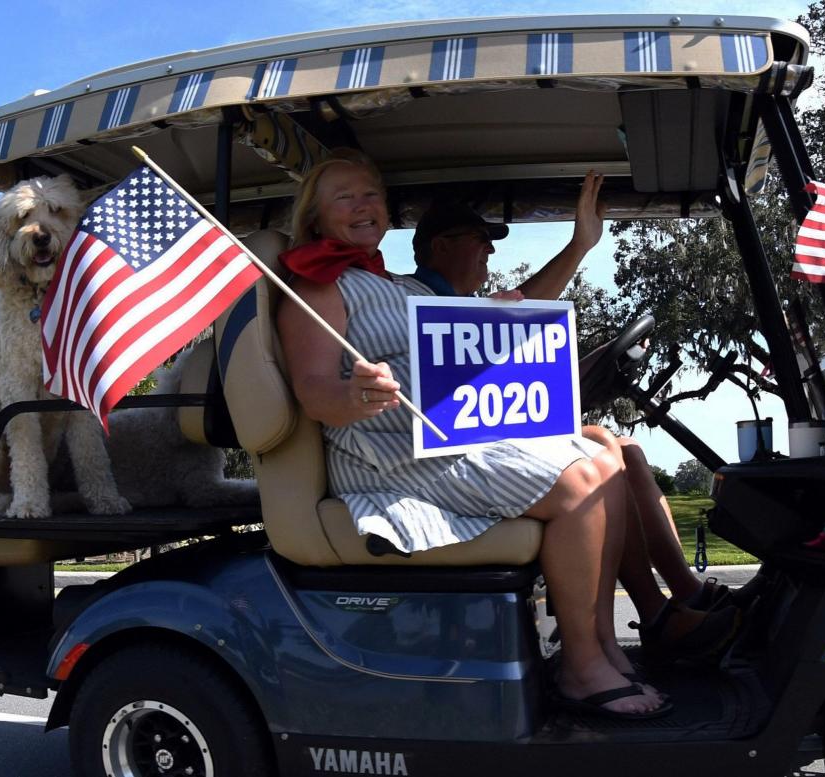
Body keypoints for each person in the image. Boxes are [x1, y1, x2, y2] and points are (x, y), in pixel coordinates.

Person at [274, 149, 668, 719]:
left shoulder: (402, 288)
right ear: (316, 216)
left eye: (372, 195)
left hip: (446, 441)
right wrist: (354, 393)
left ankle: (603, 645)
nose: (364, 205)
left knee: (606, 456)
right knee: (581, 481)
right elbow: (314, 390)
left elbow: (519, 311)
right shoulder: (317, 288)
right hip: (388, 453)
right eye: (346, 196)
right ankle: (582, 667)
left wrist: (578, 246)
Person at [408, 183, 740, 663]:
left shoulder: (468, 312)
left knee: (623, 447)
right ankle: (654, 614)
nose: (490, 248)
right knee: (601, 459)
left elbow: (528, 307)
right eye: (478, 238)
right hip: (452, 462)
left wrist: (581, 244)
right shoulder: (416, 303)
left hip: (488, 444)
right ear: (439, 246)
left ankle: (686, 593)